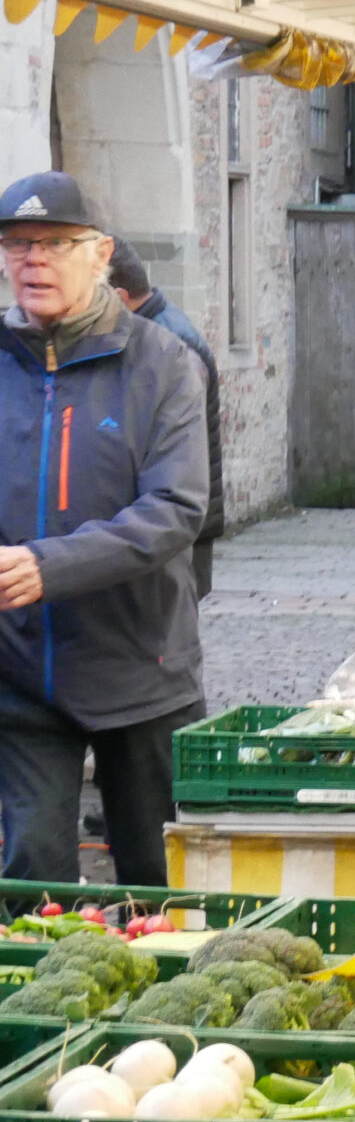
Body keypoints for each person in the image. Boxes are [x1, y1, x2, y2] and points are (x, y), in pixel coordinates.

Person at [0, 171, 209, 885]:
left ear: (100, 254)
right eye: (18, 244)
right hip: (23, 671)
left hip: (141, 669)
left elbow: (176, 508)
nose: (34, 260)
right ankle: (45, 999)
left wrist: (48, 566)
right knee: (34, 870)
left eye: (56, 243)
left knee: (157, 875)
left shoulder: (163, 362)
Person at [105, 239, 222, 601]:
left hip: (170, 539)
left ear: (120, 298)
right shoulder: (148, 334)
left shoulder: (169, 348)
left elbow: (180, 464)